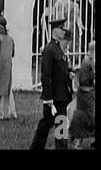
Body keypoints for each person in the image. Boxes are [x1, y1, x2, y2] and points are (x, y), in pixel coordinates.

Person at [30, 18, 73, 150]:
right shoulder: (49, 49)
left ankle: (46, 146)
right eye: (62, 28)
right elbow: (46, 75)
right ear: (55, 30)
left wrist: (69, 74)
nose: (63, 31)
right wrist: (48, 97)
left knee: (52, 122)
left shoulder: (58, 48)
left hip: (62, 94)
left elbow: (61, 70)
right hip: (54, 96)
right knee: (50, 122)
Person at [69, 41, 95, 149]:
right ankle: (76, 142)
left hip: (86, 94)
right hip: (86, 95)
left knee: (86, 118)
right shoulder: (88, 61)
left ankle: (77, 141)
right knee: (88, 119)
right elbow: (85, 80)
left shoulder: (88, 60)